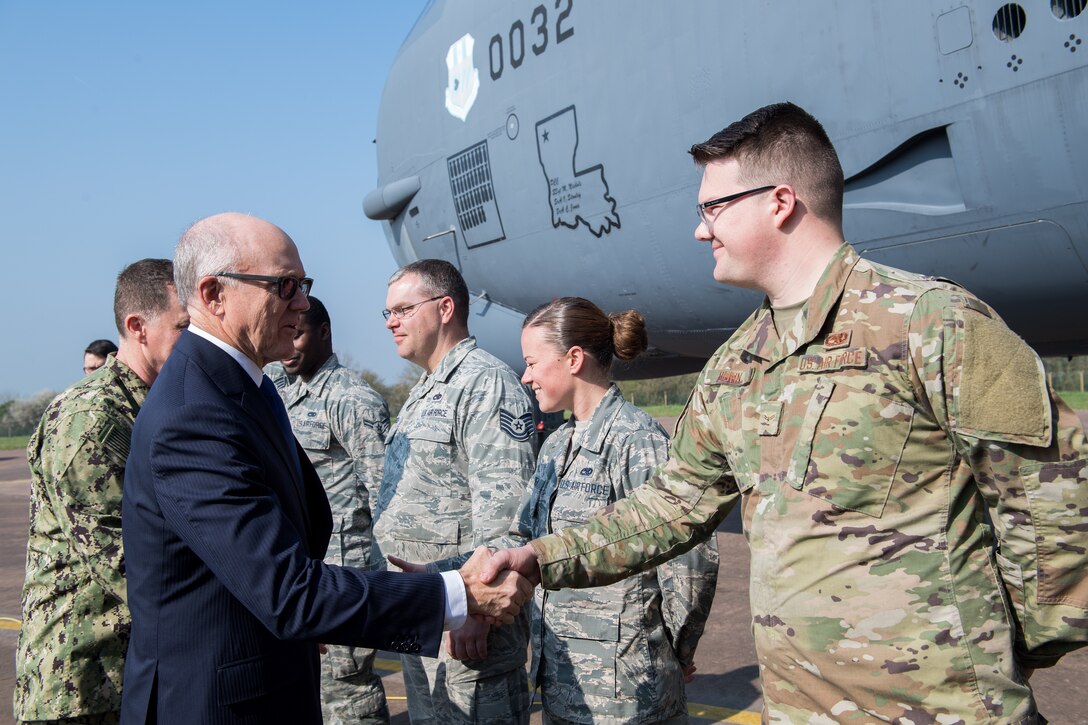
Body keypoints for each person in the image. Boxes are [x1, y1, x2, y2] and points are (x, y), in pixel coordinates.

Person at [484, 103, 1088, 723]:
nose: (700, 230)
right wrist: (540, 558)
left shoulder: (931, 322)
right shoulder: (735, 365)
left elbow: (1056, 506)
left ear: (779, 202)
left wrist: (987, 648)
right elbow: (671, 506)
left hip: (943, 708)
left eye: (712, 208)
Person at [120, 213, 531, 725]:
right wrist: (456, 594)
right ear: (214, 294)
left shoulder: (252, 389)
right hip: (217, 703)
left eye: (303, 285)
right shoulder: (193, 414)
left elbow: (306, 529)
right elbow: (287, 590)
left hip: (274, 675)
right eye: (285, 285)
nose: (302, 303)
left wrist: (320, 611)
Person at [516, 297, 719, 724]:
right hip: (563, 684)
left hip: (628, 694)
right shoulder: (555, 445)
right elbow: (524, 537)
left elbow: (690, 559)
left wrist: (674, 652)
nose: (526, 376)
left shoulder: (635, 439)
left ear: (573, 359)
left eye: (533, 362)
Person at [16, 258, 189, 725]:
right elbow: (126, 561)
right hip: (83, 679)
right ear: (138, 327)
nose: (196, 341)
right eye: (183, 326)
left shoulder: (158, 405)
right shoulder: (91, 418)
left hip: (135, 669)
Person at [375, 259, 536, 725]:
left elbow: (508, 517)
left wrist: (476, 611)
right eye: (387, 312)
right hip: (426, 614)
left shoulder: (487, 384)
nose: (390, 322)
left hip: (467, 624)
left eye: (403, 309)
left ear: (445, 307)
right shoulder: (427, 389)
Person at [276, 295, 392, 724]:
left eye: (299, 334)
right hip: (296, 567)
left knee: (346, 691)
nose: (289, 347)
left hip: (344, 570)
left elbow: (385, 495)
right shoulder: (276, 388)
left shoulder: (354, 400)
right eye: (285, 333)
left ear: (324, 332)